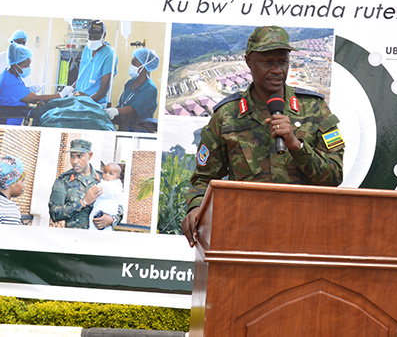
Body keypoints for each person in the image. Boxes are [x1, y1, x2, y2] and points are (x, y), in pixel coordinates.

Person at [181, 26, 345, 247]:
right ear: (249, 62)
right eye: (268, 63)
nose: (277, 70)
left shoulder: (315, 109)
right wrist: (196, 207)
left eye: (282, 62)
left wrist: (296, 145)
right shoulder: (227, 115)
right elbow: (204, 178)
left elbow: (334, 176)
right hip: (245, 234)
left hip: (303, 234)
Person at [0, 42, 74, 125]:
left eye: (29, 65)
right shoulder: (8, 81)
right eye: (25, 66)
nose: (28, 68)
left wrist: (29, 89)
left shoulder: (10, 74)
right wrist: (61, 95)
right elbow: (34, 98)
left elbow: (17, 95)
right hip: (1, 123)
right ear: (15, 64)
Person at [49, 139, 122, 229]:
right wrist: (83, 202)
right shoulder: (63, 181)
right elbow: (54, 214)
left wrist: (112, 220)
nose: (75, 161)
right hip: (74, 238)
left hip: (100, 238)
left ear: (90, 155)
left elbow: (119, 205)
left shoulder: (104, 178)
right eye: (72, 156)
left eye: (80, 156)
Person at [106, 48, 159, 132]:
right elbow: (123, 104)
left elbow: (133, 109)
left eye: (134, 63)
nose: (131, 66)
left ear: (144, 66)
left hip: (139, 131)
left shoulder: (150, 88)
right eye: (131, 62)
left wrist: (116, 111)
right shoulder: (130, 83)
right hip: (124, 127)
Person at [75, 20, 116, 105]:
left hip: (95, 103)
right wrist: (69, 90)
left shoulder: (109, 55)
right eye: (90, 37)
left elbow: (102, 91)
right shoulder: (87, 49)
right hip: (77, 99)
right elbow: (82, 77)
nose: (92, 40)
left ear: (104, 35)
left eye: (96, 37)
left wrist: (86, 101)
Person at [89, 162, 124, 231]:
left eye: (110, 174)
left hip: (109, 207)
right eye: (105, 172)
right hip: (98, 206)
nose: (106, 175)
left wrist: (112, 220)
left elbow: (111, 194)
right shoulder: (102, 182)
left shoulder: (115, 185)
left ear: (117, 177)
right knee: (92, 218)